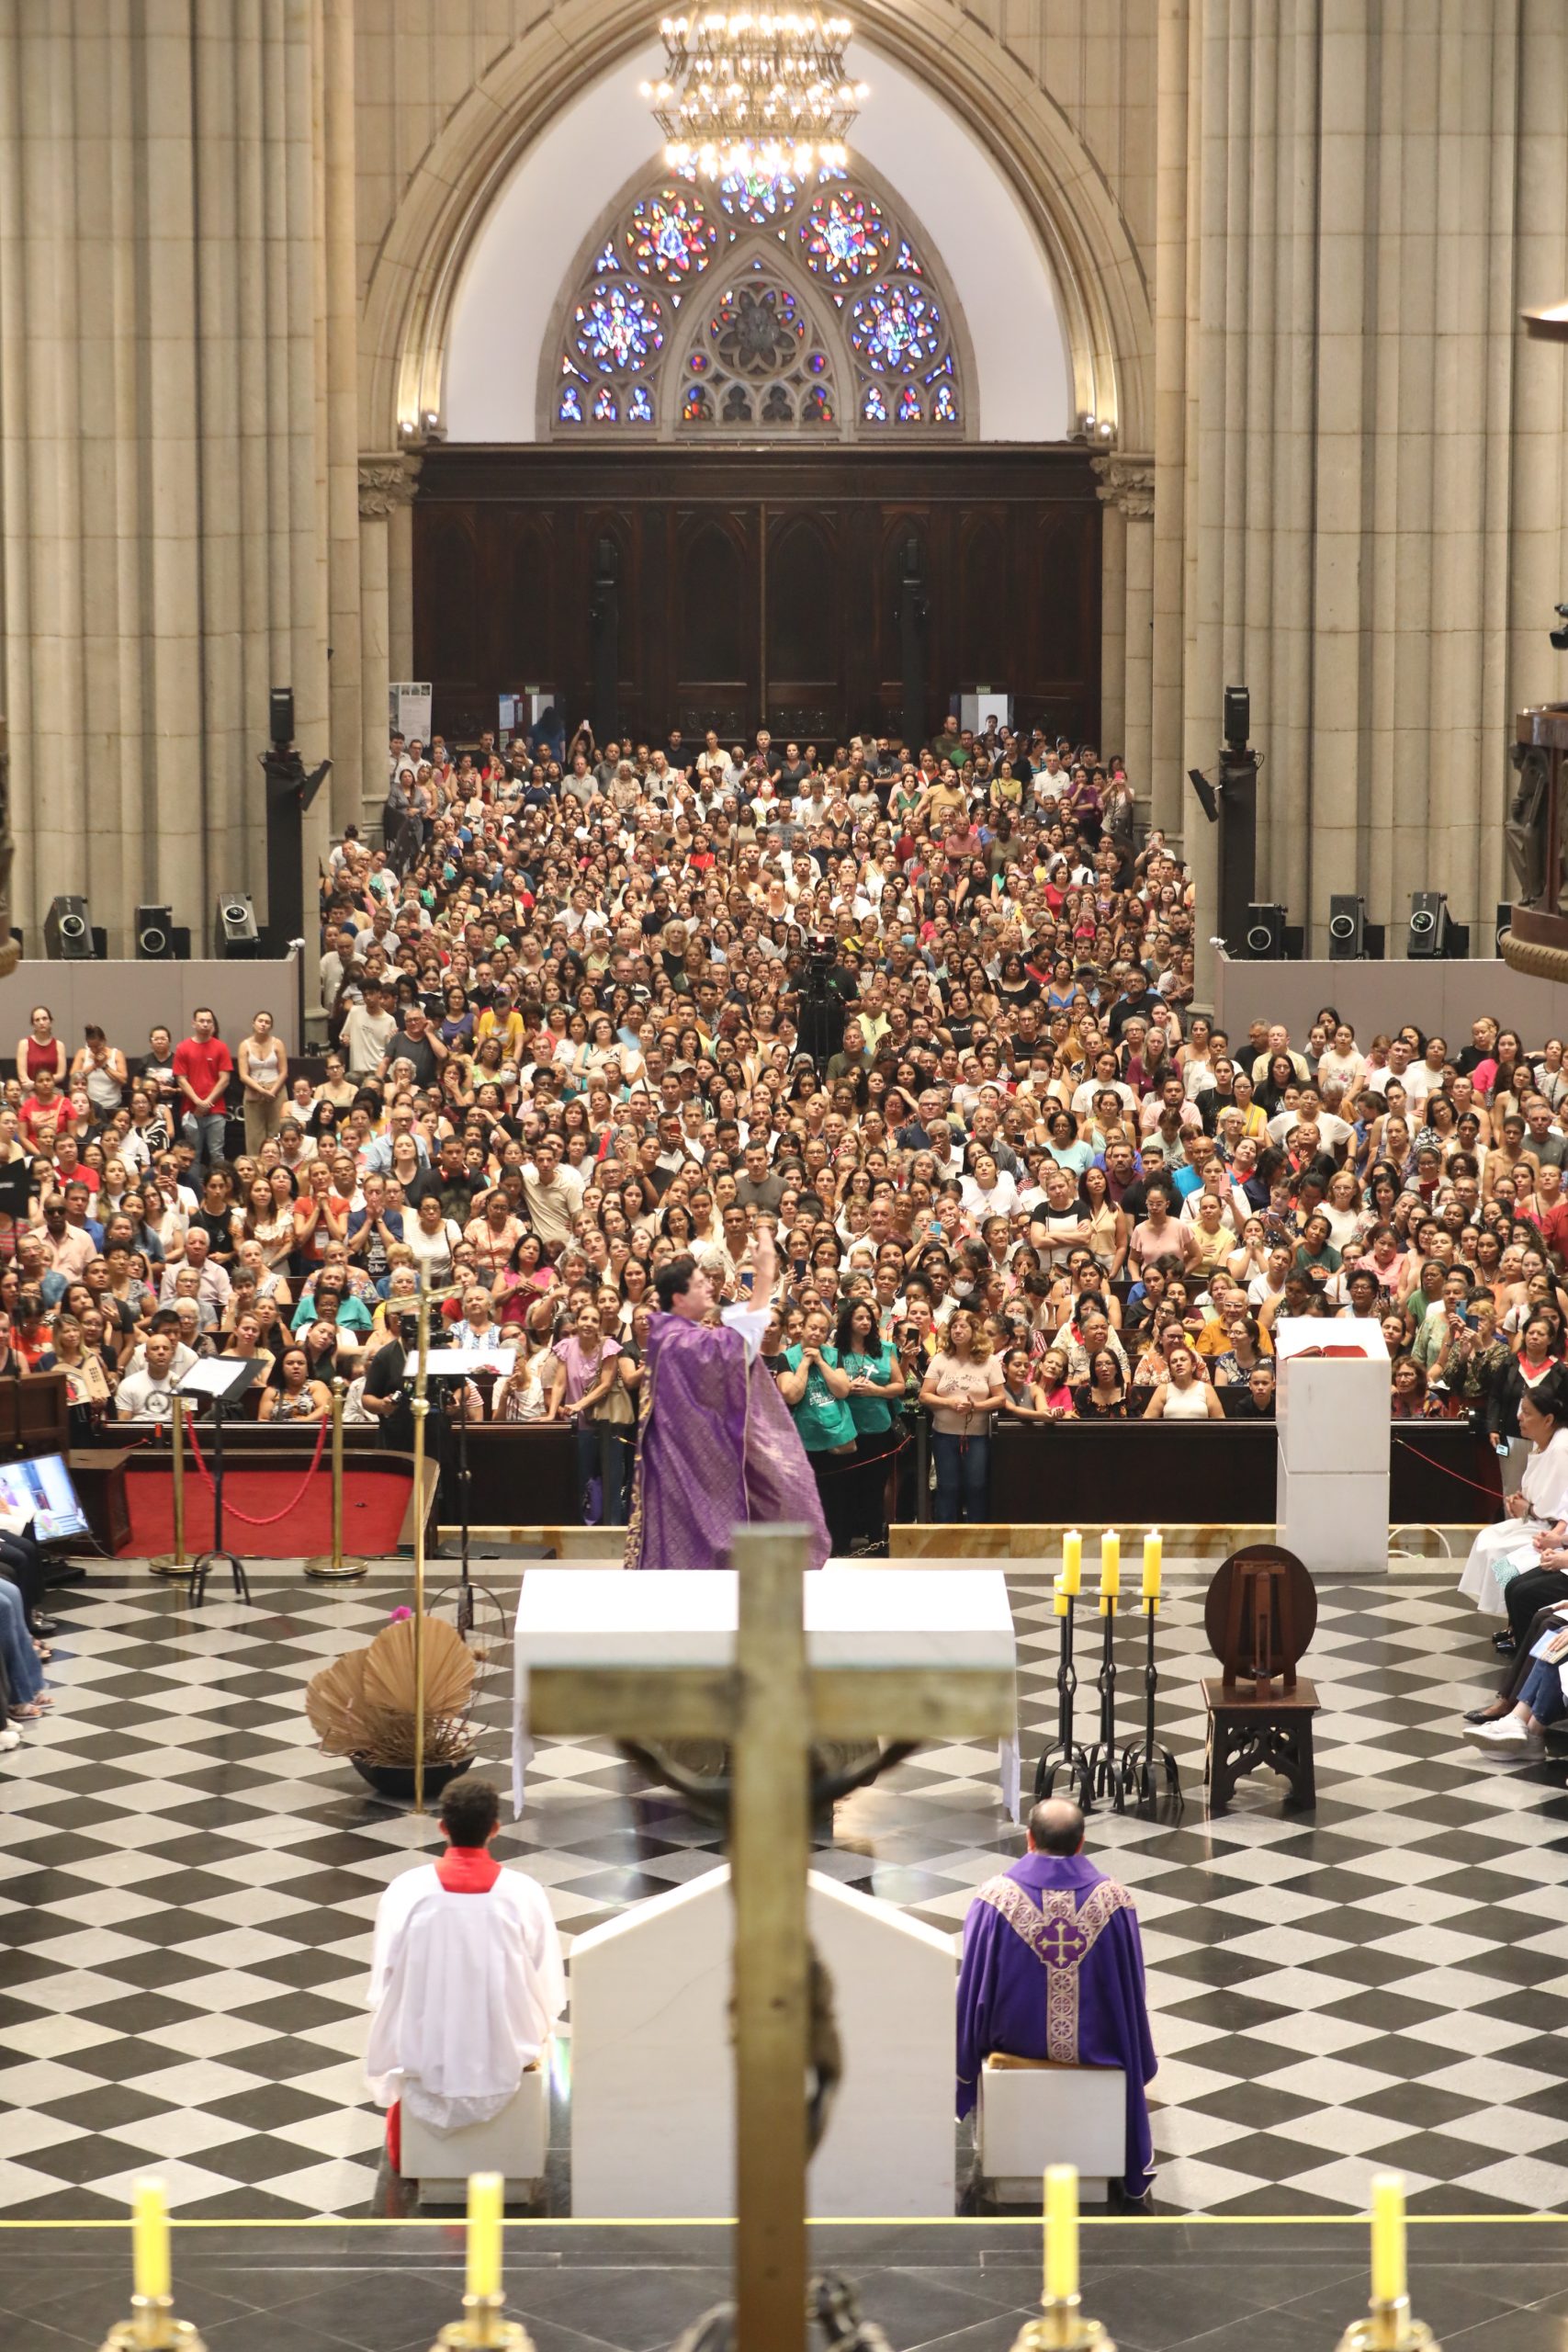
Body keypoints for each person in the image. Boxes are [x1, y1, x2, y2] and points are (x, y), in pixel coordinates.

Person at [955, 1797, 1156, 2201]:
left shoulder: (994, 1900)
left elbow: (972, 1988)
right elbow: (1133, 1989)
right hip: (1096, 2046)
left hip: (1017, 2044)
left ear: (1029, 1839)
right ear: (1081, 1843)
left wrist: (963, 2057)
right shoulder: (1115, 1901)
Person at [367, 1774, 565, 2172]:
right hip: (504, 2051)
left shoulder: (407, 1890)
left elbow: (384, 1981)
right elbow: (547, 1985)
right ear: (495, 1829)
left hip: (425, 2050)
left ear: (443, 1827)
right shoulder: (523, 1892)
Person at [624, 1220, 829, 1571]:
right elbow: (740, 1342)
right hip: (683, 1464)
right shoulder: (678, 1341)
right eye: (700, 1284)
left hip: (690, 1459)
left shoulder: (674, 1335)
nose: (709, 1287)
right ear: (679, 1298)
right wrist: (765, 1277)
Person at [1458, 1370, 1568, 1636]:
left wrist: (1529, 1510)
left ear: (1548, 1419)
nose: (1519, 1417)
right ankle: (1514, 1621)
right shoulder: (1542, 1444)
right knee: (1487, 1538)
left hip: (1551, 1530)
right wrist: (1521, 1501)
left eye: (1527, 1413)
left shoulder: (1561, 1448)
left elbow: (1560, 1506)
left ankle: (1516, 1623)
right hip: (1539, 1523)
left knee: (1501, 1555)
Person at [173, 1007, 233, 1167]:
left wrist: (207, 1102)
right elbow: (181, 1079)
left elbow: (225, 1079)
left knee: (217, 1153)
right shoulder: (183, 1048)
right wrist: (197, 1101)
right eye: (202, 1021)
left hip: (216, 1111)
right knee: (192, 1155)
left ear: (213, 1024)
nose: (205, 1024)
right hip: (191, 1111)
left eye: (209, 1021)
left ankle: (220, 1182)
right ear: (194, 1023)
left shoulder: (221, 1047)